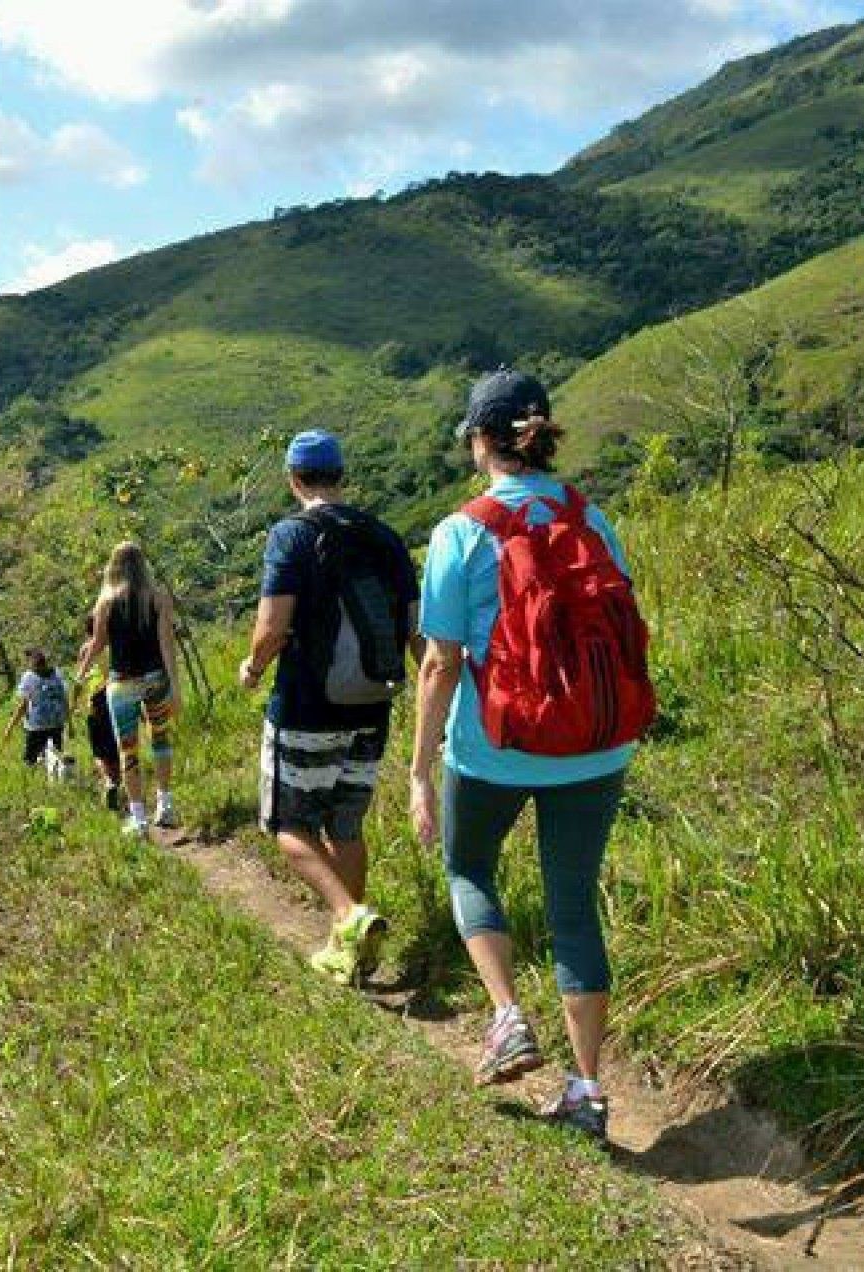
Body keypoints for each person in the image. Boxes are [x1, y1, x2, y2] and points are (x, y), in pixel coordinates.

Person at [410, 368, 653, 1144]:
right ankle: (587, 1090)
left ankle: (508, 1016)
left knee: (468, 868)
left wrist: (418, 770)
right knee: (572, 906)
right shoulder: (591, 517)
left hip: (495, 748)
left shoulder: (461, 530)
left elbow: (439, 662)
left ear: (482, 441)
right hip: (596, 746)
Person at [239, 429, 419, 986]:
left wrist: (252, 668)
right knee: (346, 823)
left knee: (287, 823)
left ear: (294, 479)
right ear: (341, 476)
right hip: (373, 704)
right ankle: (349, 953)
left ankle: (349, 916)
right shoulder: (385, 537)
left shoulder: (291, 536)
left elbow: (273, 626)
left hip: (307, 706)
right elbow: (415, 628)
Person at [76, 542, 180, 836]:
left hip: (121, 684)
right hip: (156, 679)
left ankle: (139, 818)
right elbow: (167, 644)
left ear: (114, 566)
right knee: (160, 740)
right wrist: (174, 685)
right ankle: (165, 805)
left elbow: (97, 644)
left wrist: (80, 676)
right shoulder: (158, 597)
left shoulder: (106, 601)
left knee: (128, 750)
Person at [78, 614, 123, 812]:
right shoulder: (115, 646)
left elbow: (80, 678)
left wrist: (74, 705)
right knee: (116, 748)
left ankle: (109, 782)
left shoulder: (86, 649)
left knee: (99, 752)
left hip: (95, 703)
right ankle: (118, 787)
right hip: (117, 698)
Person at [3, 648, 70, 767]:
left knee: (32, 760)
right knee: (54, 757)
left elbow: (23, 705)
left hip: (38, 726)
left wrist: (10, 727)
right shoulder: (56, 675)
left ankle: (45, 774)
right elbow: (64, 700)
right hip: (54, 723)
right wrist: (69, 723)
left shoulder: (30, 677)